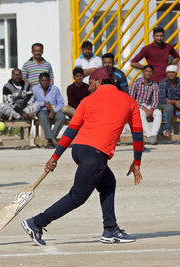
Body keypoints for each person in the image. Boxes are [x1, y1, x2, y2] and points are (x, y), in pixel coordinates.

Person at [21, 67, 144, 247]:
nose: (88, 88)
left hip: (79, 150)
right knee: (77, 197)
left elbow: (71, 131)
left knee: (108, 183)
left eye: (91, 83)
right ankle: (37, 223)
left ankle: (110, 229)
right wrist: (137, 162)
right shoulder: (129, 101)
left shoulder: (87, 101)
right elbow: (138, 135)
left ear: (99, 81)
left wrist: (55, 156)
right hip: (96, 155)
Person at [129, 65, 161, 145]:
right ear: (143, 72)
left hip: (150, 106)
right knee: (140, 114)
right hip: (138, 106)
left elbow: (156, 99)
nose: (148, 73)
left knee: (158, 113)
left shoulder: (154, 85)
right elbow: (132, 99)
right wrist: (143, 108)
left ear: (153, 73)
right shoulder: (135, 83)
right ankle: (149, 135)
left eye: (150, 71)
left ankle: (153, 135)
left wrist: (151, 109)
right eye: (146, 71)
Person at [33, 72, 65, 147]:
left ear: (49, 80)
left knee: (61, 117)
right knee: (43, 117)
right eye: (42, 80)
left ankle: (50, 140)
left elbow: (61, 102)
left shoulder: (55, 89)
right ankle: (53, 140)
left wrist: (54, 111)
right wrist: (43, 103)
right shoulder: (34, 89)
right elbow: (32, 102)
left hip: (54, 109)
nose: (44, 82)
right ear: (39, 81)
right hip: (41, 110)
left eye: (46, 80)